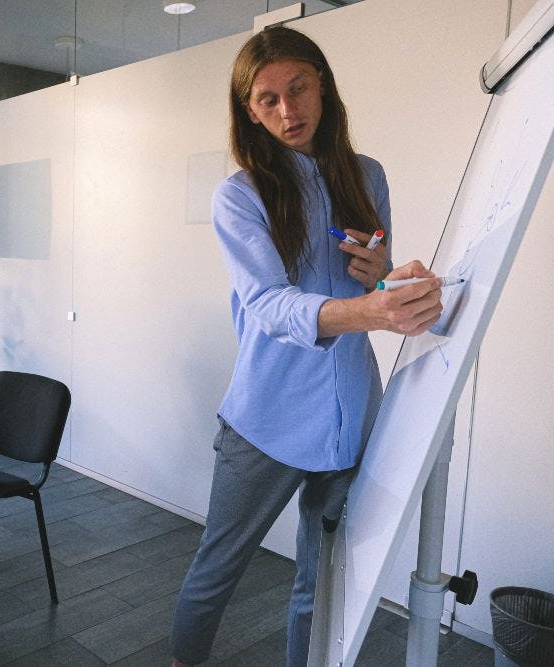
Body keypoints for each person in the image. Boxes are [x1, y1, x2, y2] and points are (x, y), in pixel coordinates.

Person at [169, 27, 444, 667]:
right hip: (265, 416)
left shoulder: (367, 175)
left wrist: (383, 277)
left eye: (297, 89)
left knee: (320, 583)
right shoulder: (240, 195)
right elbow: (266, 305)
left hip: (352, 415)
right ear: (249, 112)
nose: (288, 111)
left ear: (322, 84)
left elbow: (374, 282)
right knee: (219, 566)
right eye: (267, 100)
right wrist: (367, 306)